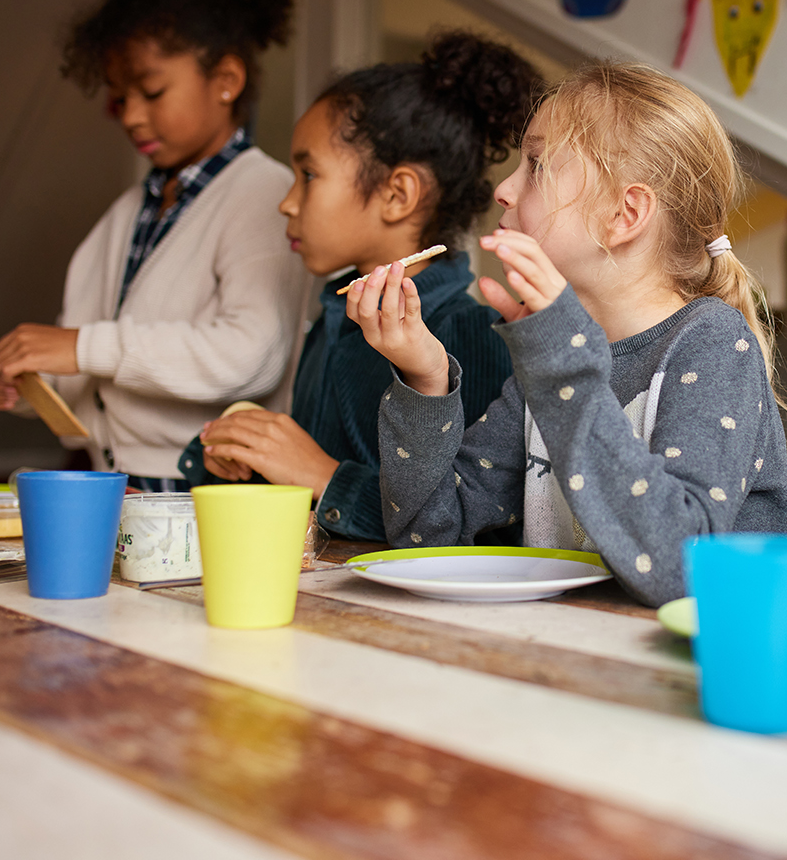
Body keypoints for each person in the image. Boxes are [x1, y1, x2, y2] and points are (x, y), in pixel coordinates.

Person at [346, 62, 787, 607]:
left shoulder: (713, 343)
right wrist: (426, 377)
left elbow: (680, 570)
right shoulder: (553, 358)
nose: (504, 189)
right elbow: (431, 535)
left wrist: (559, 361)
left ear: (623, 215)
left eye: (535, 165)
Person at [0, 0, 309, 491]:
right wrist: (27, 381)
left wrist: (80, 346)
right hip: (117, 484)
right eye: (120, 98)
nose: (131, 116)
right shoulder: (127, 213)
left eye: (151, 91)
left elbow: (251, 355)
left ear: (226, 81)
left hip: (208, 492)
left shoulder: (263, 195)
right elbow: (96, 374)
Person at [179, 32, 536, 542]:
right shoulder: (332, 320)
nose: (286, 202)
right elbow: (302, 500)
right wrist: (239, 455)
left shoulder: (473, 334)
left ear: (397, 194)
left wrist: (324, 477)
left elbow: (469, 532)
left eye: (308, 174)